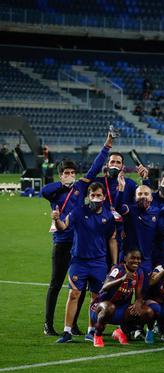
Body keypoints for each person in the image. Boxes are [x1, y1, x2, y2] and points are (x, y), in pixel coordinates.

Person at [40, 132, 114, 336]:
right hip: (62, 241)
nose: (70, 174)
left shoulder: (81, 186)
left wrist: (106, 146)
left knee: (79, 288)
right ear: (61, 174)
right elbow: (43, 191)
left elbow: (95, 167)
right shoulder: (55, 191)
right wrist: (62, 184)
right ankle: (48, 323)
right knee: (56, 283)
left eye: (72, 172)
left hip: (80, 242)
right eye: (66, 172)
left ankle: (72, 324)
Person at [53, 182, 118, 343]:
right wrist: (56, 220)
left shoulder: (108, 217)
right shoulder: (78, 212)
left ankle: (91, 330)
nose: (96, 198)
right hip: (78, 261)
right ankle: (67, 331)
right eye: (93, 195)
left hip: (98, 262)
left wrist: (115, 263)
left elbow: (112, 239)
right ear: (88, 196)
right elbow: (63, 226)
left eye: (99, 195)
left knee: (95, 298)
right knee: (74, 294)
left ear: (104, 197)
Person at [90, 249, 153, 347]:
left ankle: (121, 331)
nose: (136, 261)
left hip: (121, 310)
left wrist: (138, 303)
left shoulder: (139, 272)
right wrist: (121, 279)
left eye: (138, 259)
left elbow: (139, 294)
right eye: (133, 258)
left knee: (147, 312)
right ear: (125, 259)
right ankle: (97, 335)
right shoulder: (117, 269)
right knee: (109, 307)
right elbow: (104, 287)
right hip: (101, 308)